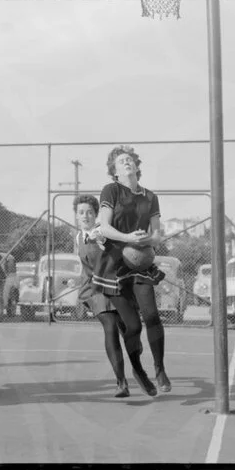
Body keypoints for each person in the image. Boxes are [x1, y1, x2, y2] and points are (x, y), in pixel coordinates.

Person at [93, 145, 171, 396]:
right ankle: (138, 368)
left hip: (140, 263)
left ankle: (159, 369)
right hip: (113, 265)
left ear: (136, 166)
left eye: (129, 159)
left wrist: (146, 241)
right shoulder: (111, 190)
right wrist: (127, 237)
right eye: (120, 161)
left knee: (151, 316)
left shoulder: (150, 196)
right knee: (133, 327)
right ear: (114, 171)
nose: (126, 162)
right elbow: (103, 226)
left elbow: (157, 234)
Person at [74, 194, 132, 398]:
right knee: (110, 327)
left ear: (96, 214)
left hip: (114, 286)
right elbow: (85, 265)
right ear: (76, 216)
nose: (85, 216)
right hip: (94, 290)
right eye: (81, 212)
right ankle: (121, 383)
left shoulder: (102, 232)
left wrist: (103, 243)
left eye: (89, 212)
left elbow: (115, 252)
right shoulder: (78, 237)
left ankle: (136, 365)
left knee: (128, 332)